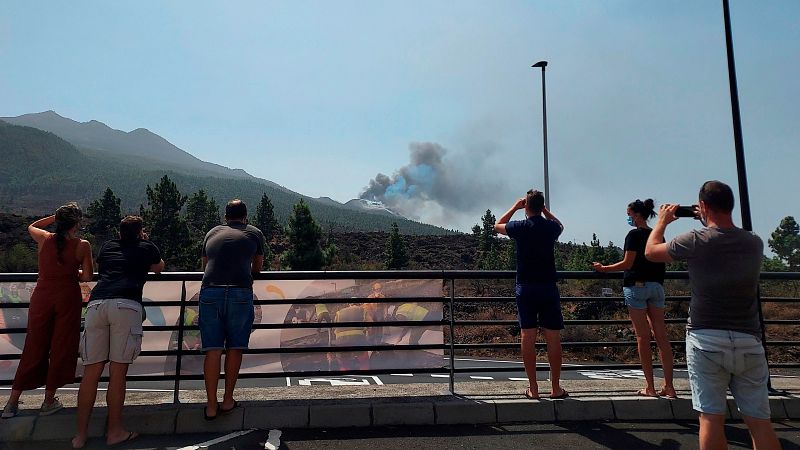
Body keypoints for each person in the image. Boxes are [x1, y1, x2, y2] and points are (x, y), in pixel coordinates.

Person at [645, 181, 780, 450]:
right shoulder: (754, 243)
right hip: (749, 341)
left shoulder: (695, 240)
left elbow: (651, 252)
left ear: (703, 206)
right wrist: (707, 216)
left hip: (706, 339)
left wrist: (661, 222)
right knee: (760, 422)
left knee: (710, 419)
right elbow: (724, 235)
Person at [71, 216, 164, 448]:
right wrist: (145, 243)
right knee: (117, 373)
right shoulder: (146, 246)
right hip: (126, 304)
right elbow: (159, 268)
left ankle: (80, 436)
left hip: (96, 304)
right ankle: (115, 432)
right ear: (141, 232)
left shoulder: (109, 246)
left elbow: (104, 268)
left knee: (90, 373)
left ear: (120, 232)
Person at [2, 203, 94, 419]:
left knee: (34, 345)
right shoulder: (82, 245)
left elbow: (31, 226)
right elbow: (88, 277)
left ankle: (12, 403)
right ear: (77, 224)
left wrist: (54, 217)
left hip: (42, 296)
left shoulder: (44, 238)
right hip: (67, 298)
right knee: (61, 347)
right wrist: (75, 270)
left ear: (59, 221)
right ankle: (48, 401)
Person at [592, 198, 676, 398]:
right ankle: (669, 387)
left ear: (637, 215)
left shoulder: (633, 235)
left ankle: (650, 387)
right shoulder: (658, 235)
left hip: (636, 287)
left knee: (643, 337)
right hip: (657, 286)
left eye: (629, 214)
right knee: (661, 337)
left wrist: (604, 269)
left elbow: (627, 263)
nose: (628, 217)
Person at [494, 190, 566, 400]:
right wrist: (545, 211)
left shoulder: (520, 227)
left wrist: (515, 207)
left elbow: (497, 225)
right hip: (548, 287)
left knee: (528, 336)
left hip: (525, 287)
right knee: (553, 337)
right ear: (542, 206)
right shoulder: (550, 227)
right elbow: (560, 225)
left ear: (526, 207)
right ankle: (555, 388)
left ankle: (533, 389)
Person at [199, 199, 264, 420]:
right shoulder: (254, 233)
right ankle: (227, 400)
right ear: (245, 217)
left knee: (213, 349)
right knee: (235, 347)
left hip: (210, 292)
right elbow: (257, 267)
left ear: (225, 217)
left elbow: (205, 264)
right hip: (239, 292)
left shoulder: (211, 232)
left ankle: (210, 406)